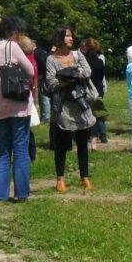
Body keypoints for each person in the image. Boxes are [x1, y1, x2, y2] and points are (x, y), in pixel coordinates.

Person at [0, 16, 35, 202]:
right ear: (14, 32)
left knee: (3, 151)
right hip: (17, 105)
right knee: (20, 149)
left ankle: (0, 195)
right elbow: (30, 70)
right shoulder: (12, 47)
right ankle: (22, 193)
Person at [47, 25, 94, 193]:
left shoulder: (78, 55)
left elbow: (87, 72)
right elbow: (51, 82)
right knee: (61, 143)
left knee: (82, 141)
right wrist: (70, 77)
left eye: (71, 35)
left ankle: (84, 177)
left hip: (79, 102)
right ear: (59, 38)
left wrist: (73, 74)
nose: (71, 38)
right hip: (62, 105)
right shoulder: (51, 59)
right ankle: (60, 179)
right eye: (67, 35)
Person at [81, 38, 108, 149]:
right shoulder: (100, 62)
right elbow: (101, 78)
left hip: (84, 90)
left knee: (84, 115)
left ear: (86, 47)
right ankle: (100, 137)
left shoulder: (82, 61)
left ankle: (85, 136)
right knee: (97, 115)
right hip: (96, 90)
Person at [33, 42, 52, 123]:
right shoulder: (41, 51)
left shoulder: (36, 53)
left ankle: (45, 117)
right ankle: (44, 116)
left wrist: (41, 74)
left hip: (44, 77)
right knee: (43, 97)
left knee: (43, 97)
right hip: (46, 76)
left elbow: (43, 64)